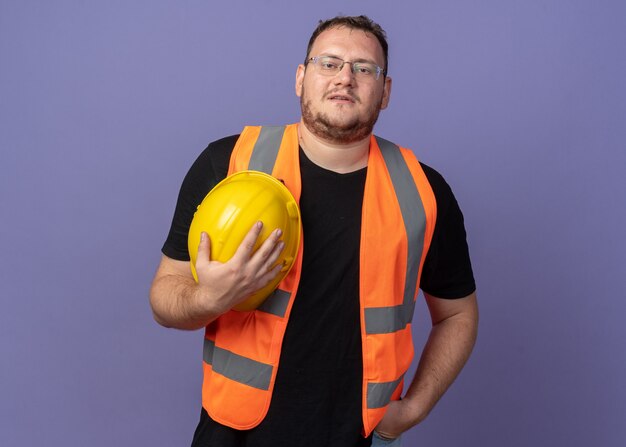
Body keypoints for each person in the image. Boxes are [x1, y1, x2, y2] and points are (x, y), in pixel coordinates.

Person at [150, 15, 478, 447]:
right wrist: (209, 298)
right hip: (233, 434)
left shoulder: (424, 192)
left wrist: (414, 409)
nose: (345, 77)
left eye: (364, 68)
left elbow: (458, 315)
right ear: (301, 78)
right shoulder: (227, 163)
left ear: (386, 92)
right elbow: (164, 297)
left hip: (362, 436)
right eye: (329, 63)